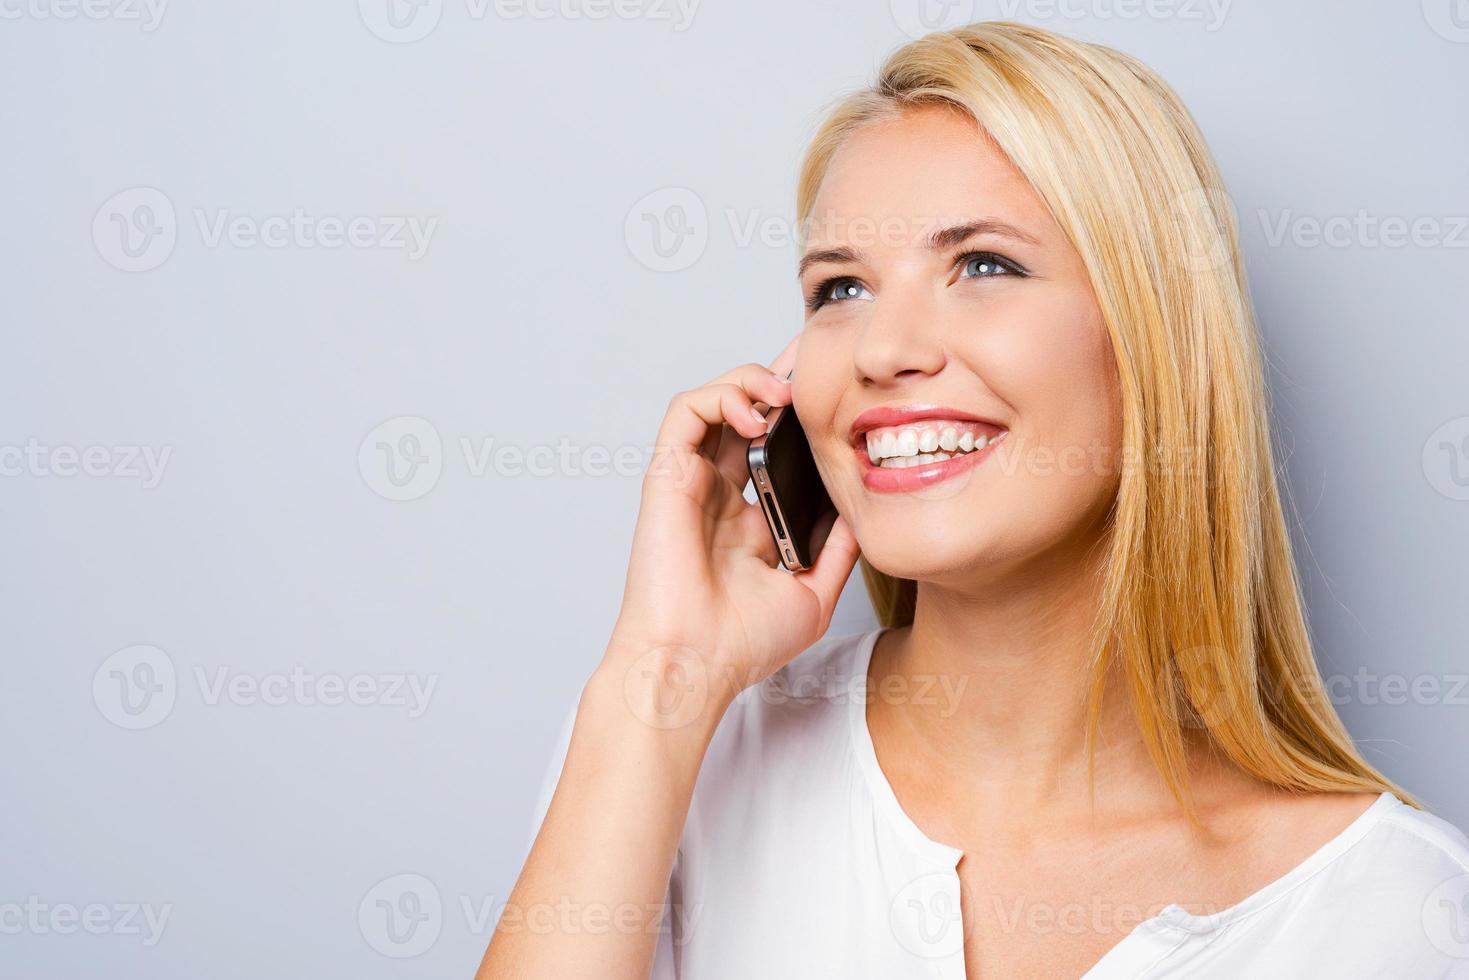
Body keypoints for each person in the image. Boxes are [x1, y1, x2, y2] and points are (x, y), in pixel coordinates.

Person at [476, 21, 1469, 979]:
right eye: (838, 289)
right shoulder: (667, 753)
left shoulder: (1396, 912)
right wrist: (658, 679)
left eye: (981, 265)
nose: (879, 348)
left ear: (1155, 343)